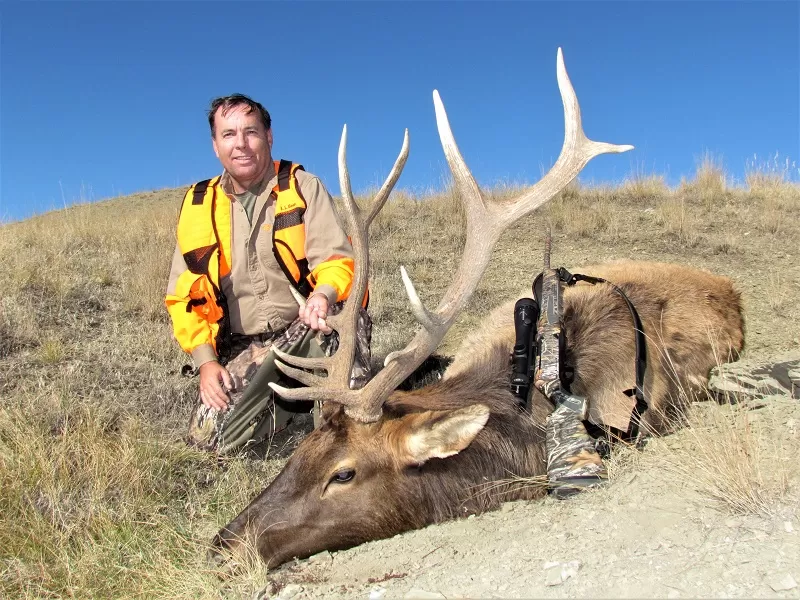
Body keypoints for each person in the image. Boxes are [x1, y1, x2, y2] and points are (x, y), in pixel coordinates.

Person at [165, 94, 372, 454]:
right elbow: (185, 298)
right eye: (228, 134)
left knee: (349, 424)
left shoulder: (303, 187)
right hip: (246, 346)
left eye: (251, 132)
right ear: (215, 145)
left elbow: (336, 260)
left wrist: (322, 296)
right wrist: (206, 362)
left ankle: (322, 401)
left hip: (311, 327)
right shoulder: (198, 207)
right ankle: (289, 403)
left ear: (269, 137)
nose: (241, 144)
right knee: (211, 441)